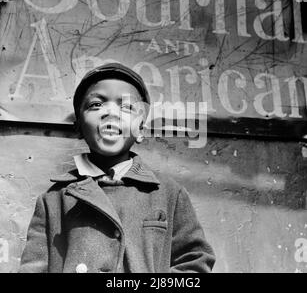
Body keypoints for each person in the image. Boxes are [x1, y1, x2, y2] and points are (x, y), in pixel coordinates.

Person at [19, 63, 215, 273]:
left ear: (140, 129)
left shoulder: (169, 194)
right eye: (96, 105)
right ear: (78, 128)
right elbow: (33, 269)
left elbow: (194, 262)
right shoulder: (53, 200)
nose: (111, 113)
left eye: (127, 107)